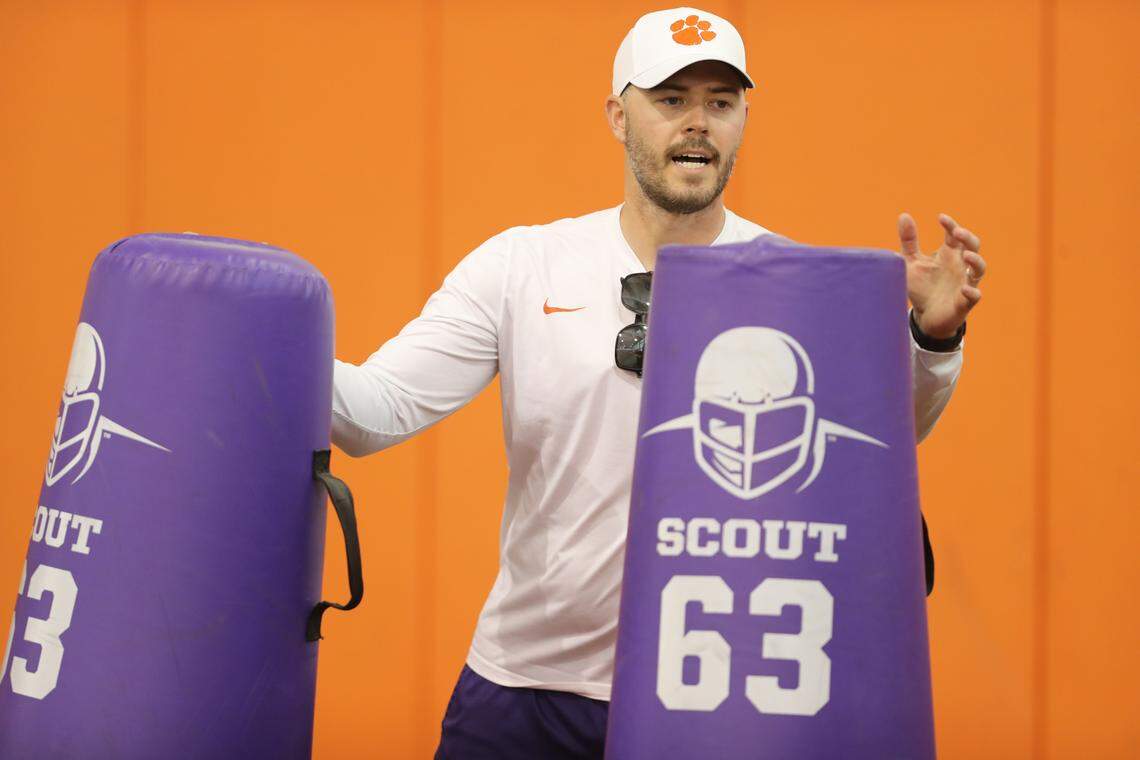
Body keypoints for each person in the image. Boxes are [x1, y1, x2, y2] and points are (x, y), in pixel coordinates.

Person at [332, 7, 986, 758]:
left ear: (744, 117)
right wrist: (263, 343)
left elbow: (884, 440)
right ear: (618, 115)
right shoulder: (521, 266)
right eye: (671, 100)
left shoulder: (797, 281)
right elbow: (372, 414)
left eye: (720, 101)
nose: (697, 123)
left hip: (716, 693)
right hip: (528, 690)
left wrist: (933, 337)